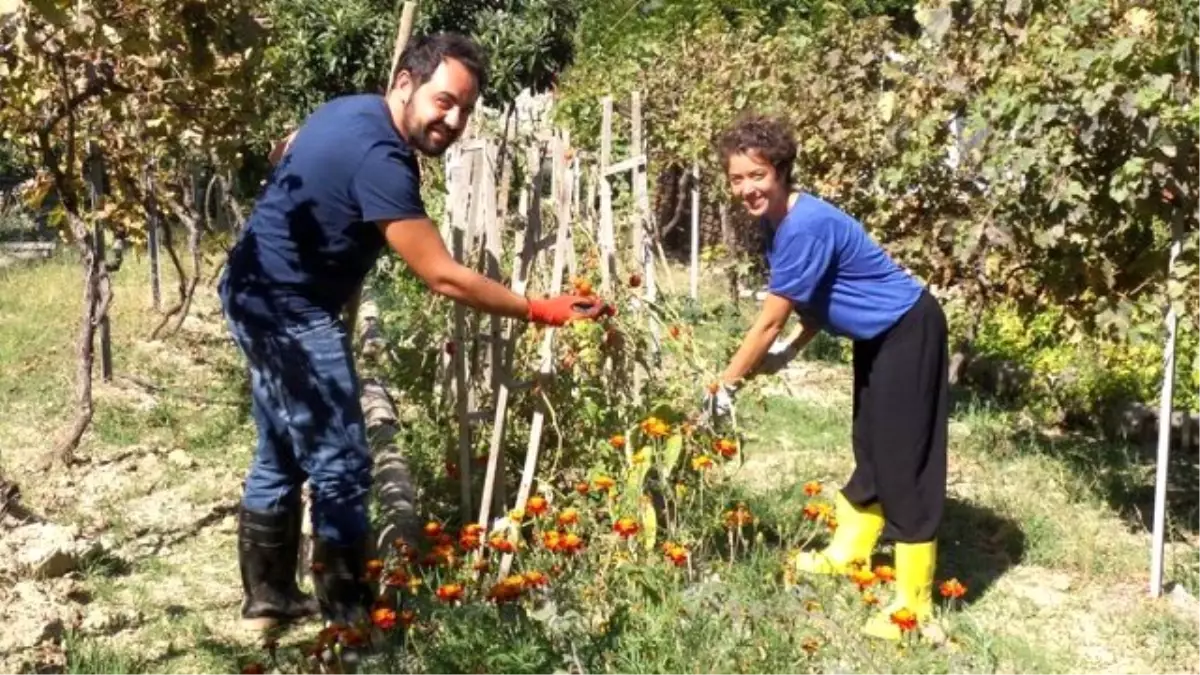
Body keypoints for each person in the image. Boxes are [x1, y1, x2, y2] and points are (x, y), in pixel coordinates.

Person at [218, 32, 605, 631]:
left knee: (281, 448)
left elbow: (283, 149)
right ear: (405, 85)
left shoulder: (348, 110)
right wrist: (540, 309)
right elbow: (442, 276)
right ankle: (349, 617)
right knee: (342, 463)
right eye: (444, 101)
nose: (453, 120)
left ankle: (269, 595)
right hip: (289, 307)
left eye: (466, 110)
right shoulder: (382, 158)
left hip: (252, 288)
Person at [705, 113, 949, 641]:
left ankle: (913, 604)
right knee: (872, 444)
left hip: (908, 329)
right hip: (878, 336)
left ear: (781, 172)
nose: (747, 188)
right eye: (737, 178)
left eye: (757, 175)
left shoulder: (805, 223)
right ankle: (851, 552)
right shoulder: (779, 225)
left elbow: (770, 319)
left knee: (904, 460)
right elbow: (815, 301)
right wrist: (794, 352)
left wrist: (726, 384)